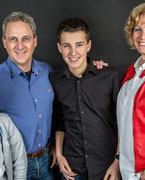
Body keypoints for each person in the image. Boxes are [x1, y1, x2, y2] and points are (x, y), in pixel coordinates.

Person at [49, 18, 120, 180]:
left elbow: (123, 123)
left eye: (79, 44)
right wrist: (59, 156)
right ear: (59, 47)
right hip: (72, 169)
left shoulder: (110, 76)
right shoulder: (55, 79)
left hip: (106, 168)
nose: (73, 53)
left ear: (88, 45)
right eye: (66, 46)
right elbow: (60, 120)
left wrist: (117, 161)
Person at [0, 12, 56, 180]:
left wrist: (93, 66)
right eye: (13, 39)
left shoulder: (47, 71)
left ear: (35, 41)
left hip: (47, 160)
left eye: (26, 38)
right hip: (14, 165)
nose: (20, 46)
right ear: (4, 42)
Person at [116, 2, 145, 180]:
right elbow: (125, 125)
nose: (143, 36)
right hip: (126, 170)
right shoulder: (132, 71)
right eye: (138, 29)